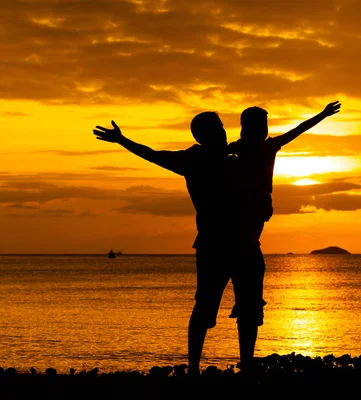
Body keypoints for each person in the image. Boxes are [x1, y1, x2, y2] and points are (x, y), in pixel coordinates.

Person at [92, 114, 265, 376]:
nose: (222, 133)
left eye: (221, 128)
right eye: (215, 129)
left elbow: (261, 193)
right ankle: (194, 369)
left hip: (247, 244)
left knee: (250, 309)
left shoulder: (237, 160)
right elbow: (153, 155)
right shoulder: (192, 160)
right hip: (213, 246)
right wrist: (122, 140)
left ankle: (247, 366)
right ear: (201, 136)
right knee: (205, 308)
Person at [227, 100, 342, 246]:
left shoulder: (248, 147)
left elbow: (299, 129)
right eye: (261, 126)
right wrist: (323, 114)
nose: (264, 129)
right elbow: (298, 130)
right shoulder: (243, 147)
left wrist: (323, 114)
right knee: (247, 241)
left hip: (256, 203)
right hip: (245, 202)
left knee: (248, 240)